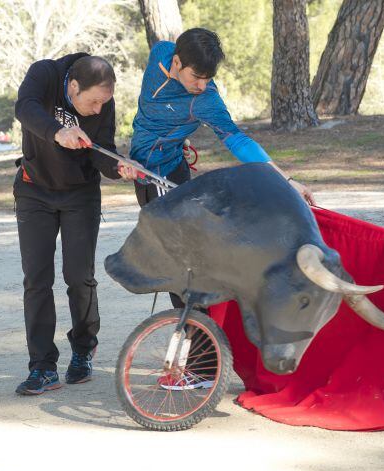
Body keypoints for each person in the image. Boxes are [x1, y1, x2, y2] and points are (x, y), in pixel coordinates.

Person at [128, 28, 315, 390]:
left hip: (172, 174)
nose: (201, 85)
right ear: (176, 62)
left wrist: (285, 181)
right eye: (196, 77)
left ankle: (201, 365)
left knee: (189, 269)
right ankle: (204, 361)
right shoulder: (160, 52)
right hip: (145, 176)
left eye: (208, 79)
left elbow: (239, 141)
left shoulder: (206, 99)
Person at [13, 54, 136, 395]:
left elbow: (102, 151)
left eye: (104, 103)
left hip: (80, 195)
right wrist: (58, 132)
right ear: (72, 87)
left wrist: (119, 168)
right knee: (37, 279)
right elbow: (25, 108)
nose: (98, 109)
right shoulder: (45, 74)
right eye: (94, 101)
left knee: (78, 277)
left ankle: (83, 351)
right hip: (34, 190)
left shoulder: (102, 107)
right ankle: (42, 366)